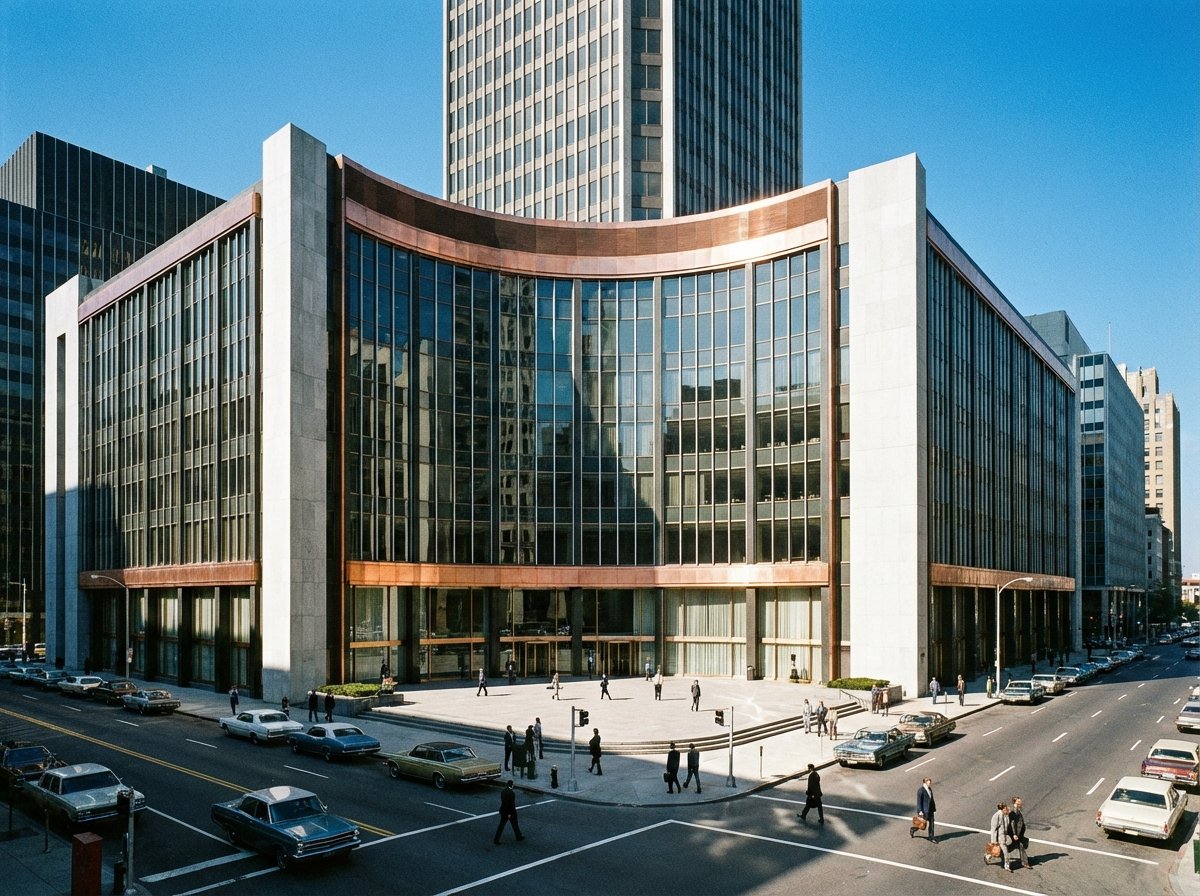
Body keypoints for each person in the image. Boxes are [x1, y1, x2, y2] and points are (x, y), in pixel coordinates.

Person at [493, 780, 524, 844]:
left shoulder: (503, 791)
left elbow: (504, 802)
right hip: (510, 812)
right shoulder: (512, 793)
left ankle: (496, 839)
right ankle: (518, 836)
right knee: (515, 824)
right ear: (512, 785)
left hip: (503, 810)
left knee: (501, 826)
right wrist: (509, 813)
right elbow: (511, 804)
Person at [912, 776, 937, 842]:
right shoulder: (921, 791)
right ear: (925, 783)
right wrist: (920, 811)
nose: (930, 784)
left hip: (930, 810)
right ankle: (913, 829)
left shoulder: (929, 789)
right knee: (921, 824)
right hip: (924, 811)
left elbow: (931, 800)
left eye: (930, 783)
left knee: (932, 823)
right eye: (928, 783)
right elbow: (919, 801)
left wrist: (934, 808)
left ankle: (931, 837)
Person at [990, 803, 1013, 872]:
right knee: (1005, 852)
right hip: (1000, 837)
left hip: (1004, 836)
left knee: (999, 851)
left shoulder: (1005, 814)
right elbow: (993, 829)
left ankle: (988, 856)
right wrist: (993, 841)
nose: (1007, 809)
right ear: (1002, 809)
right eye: (1005, 808)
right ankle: (1007, 866)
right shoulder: (996, 816)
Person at [1009, 796, 1030, 868]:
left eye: (1020, 801)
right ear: (1015, 802)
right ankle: (1025, 862)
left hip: (1019, 833)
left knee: (1018, 847)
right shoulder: (1014, 812)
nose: (1020, 803)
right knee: (1012, 847)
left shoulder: (1017, 810)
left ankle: (1025, 862)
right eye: (1018, 802)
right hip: (1015, 834)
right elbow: (1012, 823)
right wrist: (1014, 834)